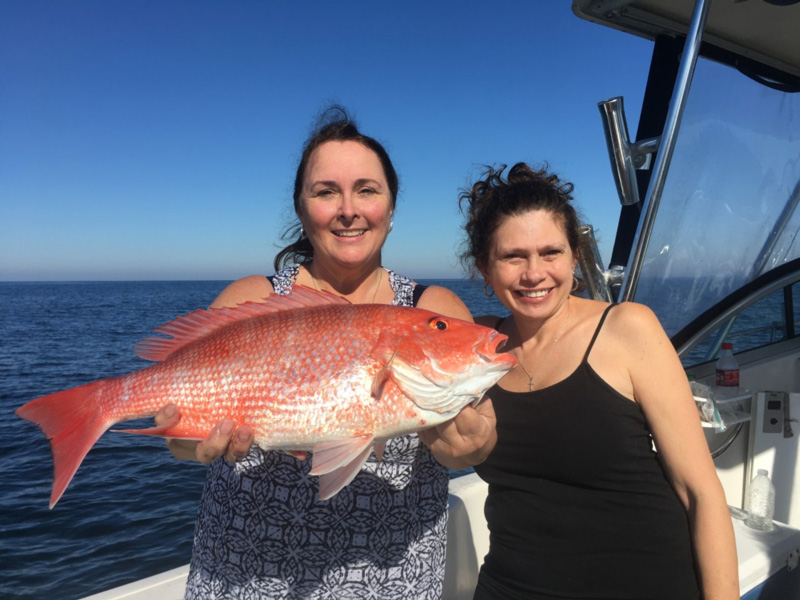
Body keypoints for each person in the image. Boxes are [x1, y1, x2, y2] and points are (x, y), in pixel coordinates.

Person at [155, 107, 497, 599]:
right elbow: (180, 438)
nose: (348, 209)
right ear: (300, 208)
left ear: (392, 207)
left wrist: (467, 443)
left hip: (389, 576)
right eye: (325, 192)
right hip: (243, 573)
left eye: (367, 190)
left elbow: (476, 444)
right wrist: (187, 441)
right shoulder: (251, 302)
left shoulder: (433, 310)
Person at [460, 162, 738, 599]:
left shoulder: (627, 329)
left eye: (551, 253)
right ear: (485, 267)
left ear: (575, 256)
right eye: (513, 256)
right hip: (509, 586)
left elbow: (700, 491)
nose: (534, 273)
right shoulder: (469, 345)